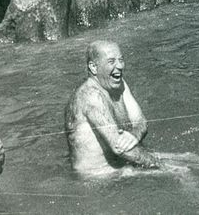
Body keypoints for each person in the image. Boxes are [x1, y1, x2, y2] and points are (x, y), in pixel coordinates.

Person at [65, 40, 162, 177]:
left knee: (192, 158)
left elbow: (141, 121)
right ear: (93, 67)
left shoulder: (120, 84)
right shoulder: (90, 96)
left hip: (121, 163)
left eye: (121, 60)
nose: (120, 66)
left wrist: (135, 135)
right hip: (98, 177)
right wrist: (159, 165)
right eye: (111, 62)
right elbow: (120, 148)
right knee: (183, 174)